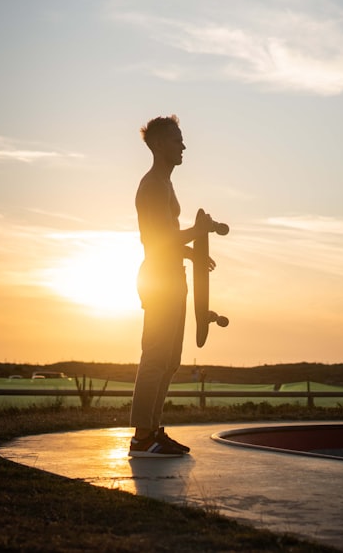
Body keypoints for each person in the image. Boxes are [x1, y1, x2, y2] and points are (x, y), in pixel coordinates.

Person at [128, 115, 212, 458]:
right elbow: (157, 239)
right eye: (177, 139)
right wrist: (199, 230)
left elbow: (166, 238)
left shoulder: (165, 183)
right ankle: (142, 437)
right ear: (160, 145)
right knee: (155, 357)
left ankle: (153, 430)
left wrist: (192, 253)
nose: (183, 146)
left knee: (171, 361)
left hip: (172, 276)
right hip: (159, 279)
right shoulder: (152, 186)